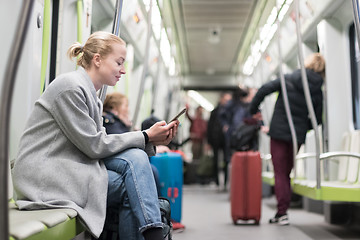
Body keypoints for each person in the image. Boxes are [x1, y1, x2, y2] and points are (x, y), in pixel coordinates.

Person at [12, 31, 179, 240]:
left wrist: (150, 139)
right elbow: (96, 146)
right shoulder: (70, 87)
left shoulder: (92, 95)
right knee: (131, 184)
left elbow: (100, 146)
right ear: (98, 59)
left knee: (136, 159)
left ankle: (152, 233)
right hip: (44, 179)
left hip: (69, 169)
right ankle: (153, 233)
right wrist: (145, 136)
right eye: (119, 63)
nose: (123, 70)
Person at [249, 53, 325, 225]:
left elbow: (263, 90)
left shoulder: (288, 79)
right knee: (286, 172)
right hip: (296, 136)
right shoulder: (317, 90)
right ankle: (282, 211)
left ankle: (282, 212)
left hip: (278, 132)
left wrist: (253, 110)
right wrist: (301, 129)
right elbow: (317, 119)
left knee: (280, 172)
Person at [207, 92, 232, 187]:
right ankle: (216, 181)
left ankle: (226, 182)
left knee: (226, 160)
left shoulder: (230, 111)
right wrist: (209, 141)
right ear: (221, 99)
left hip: (226, 140)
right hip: (216, 139)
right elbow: (210, 127)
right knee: (215, 160)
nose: (227, 102)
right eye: (226, 100)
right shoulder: (215, 112)